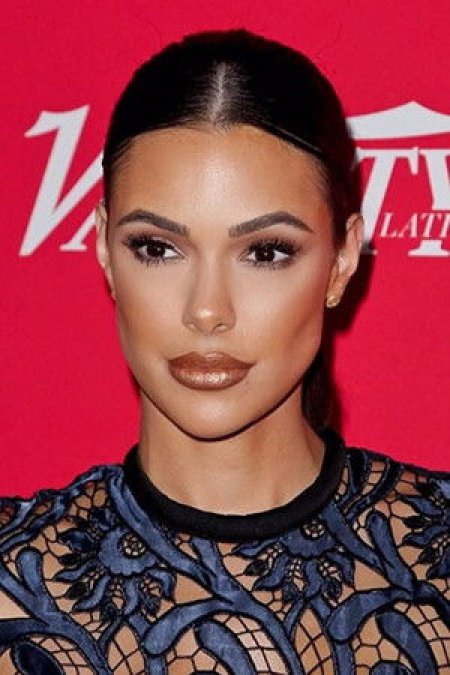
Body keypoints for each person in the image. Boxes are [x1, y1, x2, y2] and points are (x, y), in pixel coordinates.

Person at [0, 29, 448, 674]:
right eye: (157, 248)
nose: (207, 310)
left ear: (342, 260)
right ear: (103, 248)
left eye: (266, 252)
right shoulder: (13, 583)